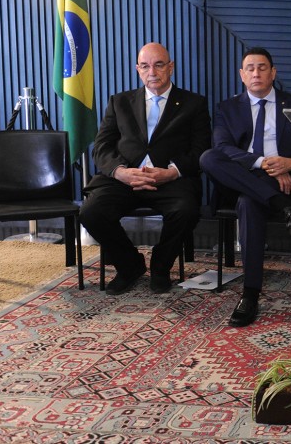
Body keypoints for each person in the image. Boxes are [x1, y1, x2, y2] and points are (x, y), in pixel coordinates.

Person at [80, 42, 211, 295]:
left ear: (171, 67)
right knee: (91, 212)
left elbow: (202, 149)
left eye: (159, 65)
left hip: (170, 180)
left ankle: (161, 268)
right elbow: (101, 147)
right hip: (125, 178)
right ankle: (129, 266)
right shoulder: (120, 102)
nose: (152, 72)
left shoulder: (193, 104)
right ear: (138, 69)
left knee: (186, 211)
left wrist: (171, 172)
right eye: (145, 66)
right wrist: (121, 172)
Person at [200, 47, 291, 327]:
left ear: (273, 73)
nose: (256, 73)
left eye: (262, 67)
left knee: (249, 203)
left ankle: (250, 294)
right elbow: (223, 148)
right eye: (250, 68)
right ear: (242, 74)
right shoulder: (227, 108)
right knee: (209, 157)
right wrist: (263, 163)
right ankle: (282, 206)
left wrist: (290, 163)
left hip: (280, 181)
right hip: (243, 176)